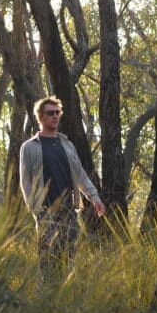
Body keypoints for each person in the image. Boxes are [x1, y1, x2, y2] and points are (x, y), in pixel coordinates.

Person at [19, 96, 105, 273]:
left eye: (57, 113)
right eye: (51, 113)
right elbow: (25, 181)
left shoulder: (67, 145)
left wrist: (94, 197)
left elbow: (80, 173)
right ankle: (46, 296)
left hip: (68, 210)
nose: (55, 116)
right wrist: (35, 209)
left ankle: (62, 295)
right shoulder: (29, 147)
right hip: (45, 211)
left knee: (67, 259)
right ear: (41, 117)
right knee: (47, 259)